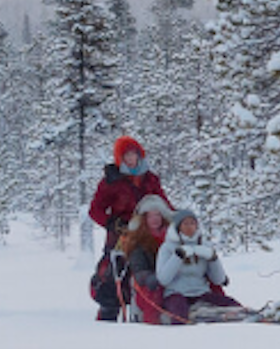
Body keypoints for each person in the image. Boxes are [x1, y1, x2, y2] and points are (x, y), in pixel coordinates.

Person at [88, 136, 172, 321]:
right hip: (121, 234)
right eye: (126, 155)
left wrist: (176, 220)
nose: (131, 159)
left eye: (134, 154)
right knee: (112, 273)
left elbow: (163, 202)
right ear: (120, 158)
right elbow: (95, 210)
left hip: (148, 232)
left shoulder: (150, 179)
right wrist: (111, 223)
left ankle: (153, 310)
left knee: (152, 268)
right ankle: (108, 313)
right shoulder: (111, 180)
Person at [156, 209, 243, 325]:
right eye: (185, 224)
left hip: (201, 293)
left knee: (232, 305)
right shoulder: (167, 248)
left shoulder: (204, 246)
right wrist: (178, 257)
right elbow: (163, 279)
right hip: (176, 294)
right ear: (178, 227)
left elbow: (218, 279)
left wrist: (213, 258)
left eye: (192, 223)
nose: (190, 227)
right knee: (179, 315)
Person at [116, 195, 175, 324]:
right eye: (150, 216)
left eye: (158, 215)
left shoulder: (173, 238)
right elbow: (139, 269)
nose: (155, 219)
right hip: (147, 284)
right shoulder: (137, 241)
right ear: (143, 219)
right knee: (152, 296)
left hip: (172, 280)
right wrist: (151, 278)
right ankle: (150, 327)